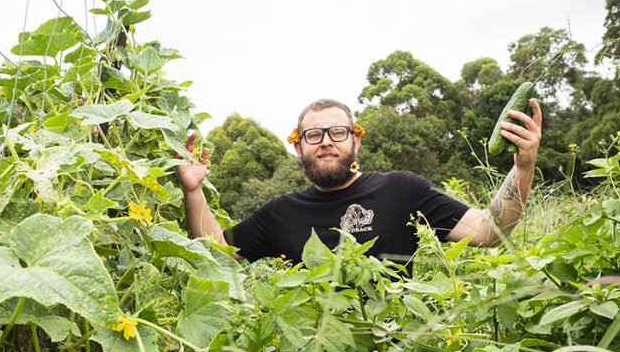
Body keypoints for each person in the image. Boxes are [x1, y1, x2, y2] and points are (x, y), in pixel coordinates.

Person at [176, 97, 543, 268]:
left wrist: (523, 167)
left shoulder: (402, 191)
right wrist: (193, 191)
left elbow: (490, 230)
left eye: (337, 131)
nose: (326, 142)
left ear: (356, 139)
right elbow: (217, 252)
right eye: (313, 135)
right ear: (298, 147)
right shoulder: (281, 213)